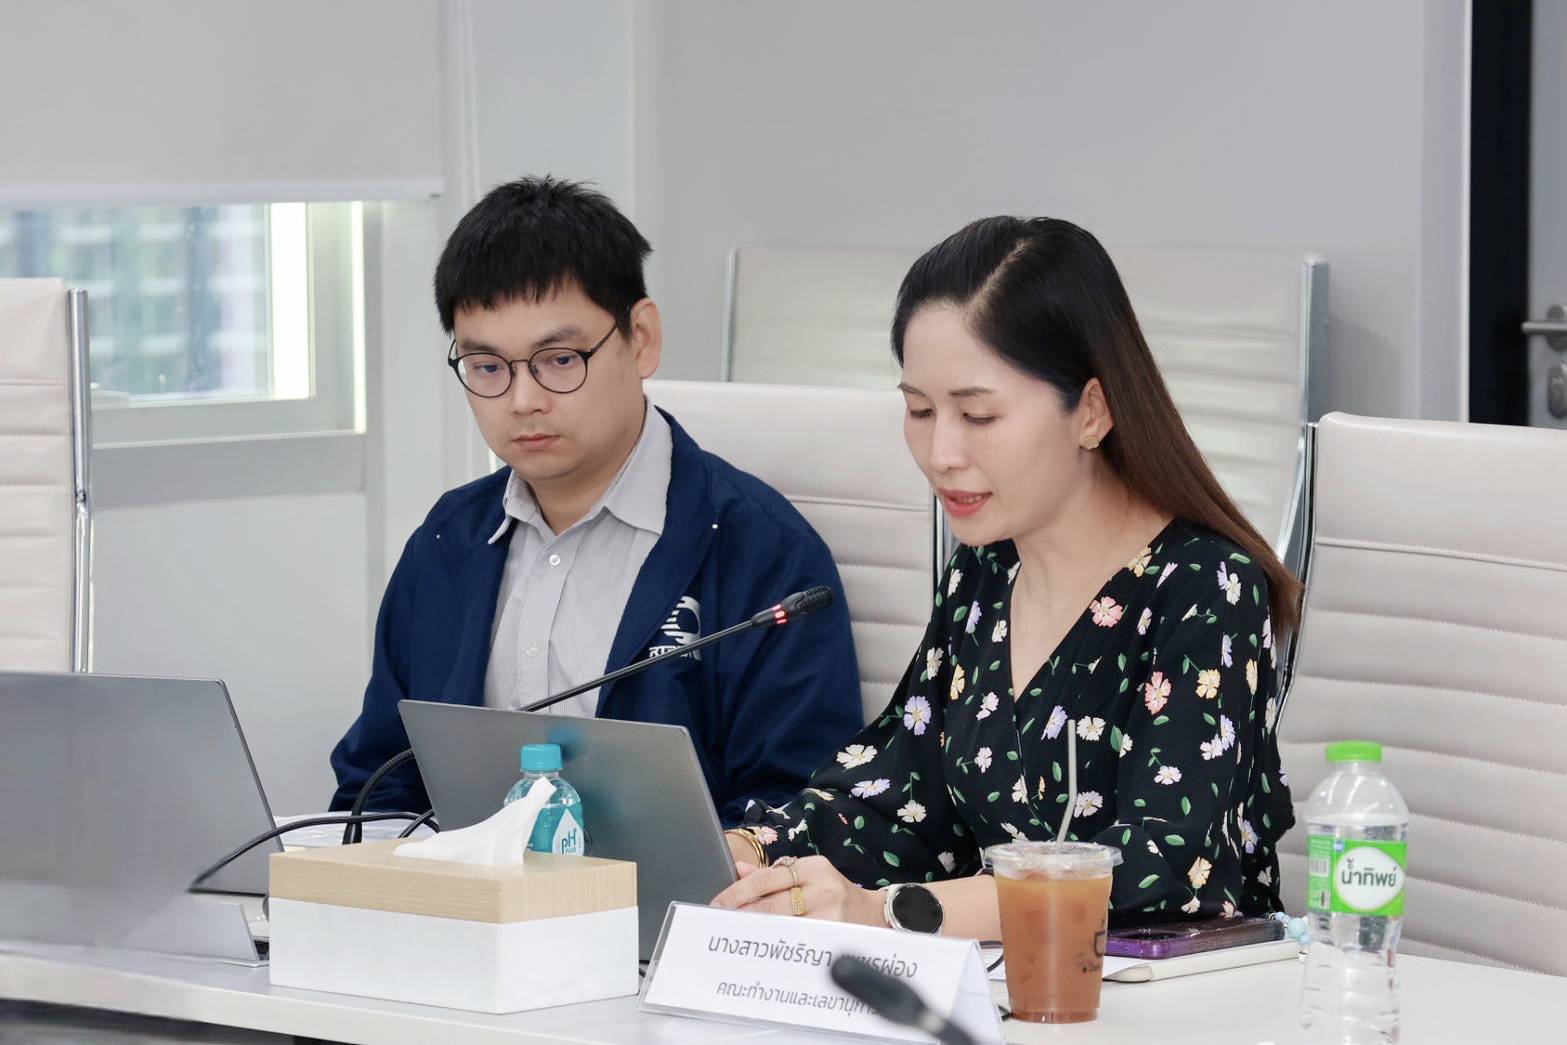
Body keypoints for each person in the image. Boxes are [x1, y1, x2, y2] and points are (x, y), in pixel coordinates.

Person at [716, 216, 1299, 936]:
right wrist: (749, 852)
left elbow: (1163, 866)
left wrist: (886, 912)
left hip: (1179, 990)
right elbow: (898, 798)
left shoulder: (1206, 585)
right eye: (919, 410)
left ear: (1091, 412)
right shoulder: (986, 570)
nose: (941, 452)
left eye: (979, 415)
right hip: (1005, 986)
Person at [329, 176, 863, 824]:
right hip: (462, 886)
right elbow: (379, 782)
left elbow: (799, 806)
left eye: (559, 359)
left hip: (676, 890)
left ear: (641, 338)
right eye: (488, 367)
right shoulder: (448, 541)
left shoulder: (766, 555)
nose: (523, 400)